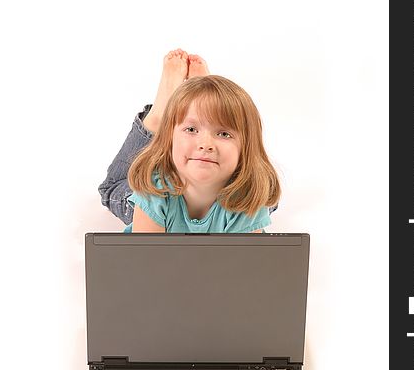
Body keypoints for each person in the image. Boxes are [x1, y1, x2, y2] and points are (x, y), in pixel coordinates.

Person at [98, 49, 280, 233]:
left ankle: (204, 94)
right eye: (192, 129)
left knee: (262, 196)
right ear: (167, 140)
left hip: (233, 187)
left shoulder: (248, 199)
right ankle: (161, 117)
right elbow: (147, 260)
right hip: (163, 198)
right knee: (116, 188)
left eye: (224, 133)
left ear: (246, 149)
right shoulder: (153, 193)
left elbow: (245, 260)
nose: (206, 144)